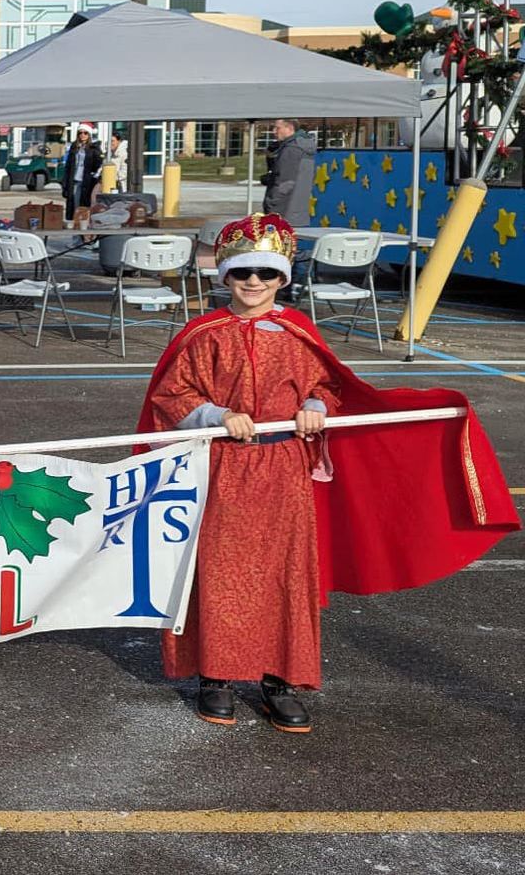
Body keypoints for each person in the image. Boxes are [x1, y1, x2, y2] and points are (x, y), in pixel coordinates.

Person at [137, 214, 516, 733]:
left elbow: (331, 385)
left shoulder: (299, 332)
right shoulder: (204, 335)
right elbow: (172, 394)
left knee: (288, 573)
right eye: (243, 271)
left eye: (266, 274)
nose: (254, 283)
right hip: (223, 467)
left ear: (282, 279)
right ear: (225, 275)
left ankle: (280, 679)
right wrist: (219, 416)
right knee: (221, 570)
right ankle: (217, 676)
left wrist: (317, 403)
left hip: (286, 469)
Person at [260, 118, 316, 225]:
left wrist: (271, 205)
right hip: (299, 211)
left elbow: (285, 182)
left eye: (277, 128)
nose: (274, 131)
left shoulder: (292, 149)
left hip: (283, 213)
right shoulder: (305, 148)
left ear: (289, 128)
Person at [60, 124, 103, 220]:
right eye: (80, 133)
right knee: (73, 203)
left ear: (89, 135)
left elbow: (98, 164)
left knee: (83, 204)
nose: (82, 135)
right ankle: (74, 222)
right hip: (74, 179)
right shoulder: (74, 147)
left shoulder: (94, 148)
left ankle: (81, 223)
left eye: (85, 133)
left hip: (86, 181)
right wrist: (64, 184)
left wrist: (94, 176)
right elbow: (68, 166)